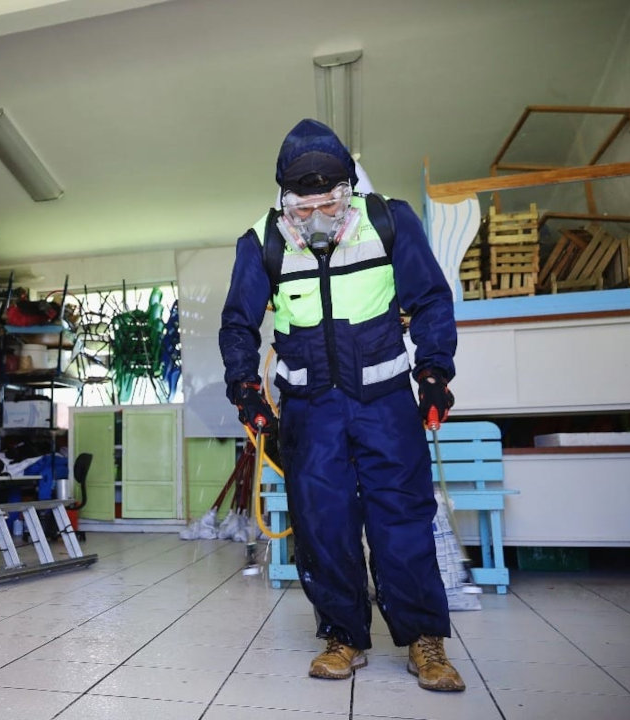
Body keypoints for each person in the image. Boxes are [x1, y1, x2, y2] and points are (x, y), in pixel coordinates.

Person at [219, 118, 464, 691]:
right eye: (302, 209)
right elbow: (237, 324)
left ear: (346, 191)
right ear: (285, 200)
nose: (317, 219)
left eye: (328, 205)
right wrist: (245, 387)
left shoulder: (390, 221)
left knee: (401, 519)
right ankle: (343, 635)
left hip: (385, 403)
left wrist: (434, 371)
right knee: (322, 524)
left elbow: (431, 299)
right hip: (310, 412)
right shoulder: (262, 241)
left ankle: (424, 640)